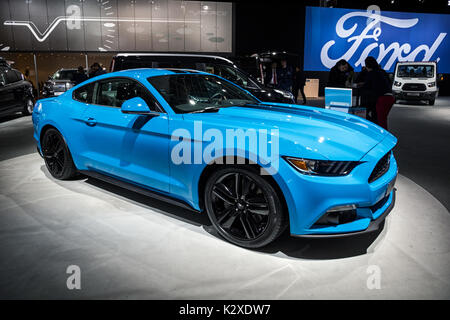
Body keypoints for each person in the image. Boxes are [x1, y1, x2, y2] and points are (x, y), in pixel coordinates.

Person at [359, 56, 394, 129]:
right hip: (390, 97)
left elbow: (366, 86)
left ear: (367, 65)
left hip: (382, 99)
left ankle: (384, 137)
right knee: (382, 119)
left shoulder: (372, 73)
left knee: (381, 121)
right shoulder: (381, 72)